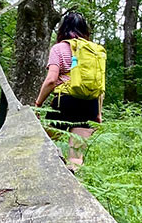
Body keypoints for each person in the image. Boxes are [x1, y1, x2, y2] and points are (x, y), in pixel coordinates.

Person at [34, 11, 103, 170]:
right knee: (76, 156)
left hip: (64, 103)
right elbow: (99, 87)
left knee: (50, 148)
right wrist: (98, 113)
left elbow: (51, 80)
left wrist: (38, 103)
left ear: (63, 29)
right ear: (85, 30)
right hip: (89, 104)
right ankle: (73, 188)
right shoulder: (94, 51)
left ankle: (52, 184)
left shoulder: (59, 49)